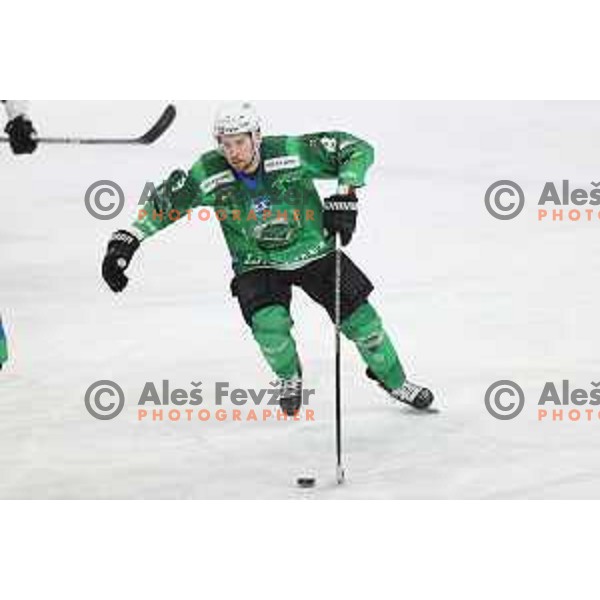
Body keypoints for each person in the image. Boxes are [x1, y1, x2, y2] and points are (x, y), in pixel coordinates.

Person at [101, 102, 434, 414]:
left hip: (315, 252)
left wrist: (346, 194)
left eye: (239, 143)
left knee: (365, 325)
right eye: (225, 144)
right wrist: (128, 239)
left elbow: (356, 148)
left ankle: (395, 381)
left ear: (256, 137)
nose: (232, 152)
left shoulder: (290, 152)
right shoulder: (208, 172)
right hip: (255, 262)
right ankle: (290, 377)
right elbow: (167, 202)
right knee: (269, 328)